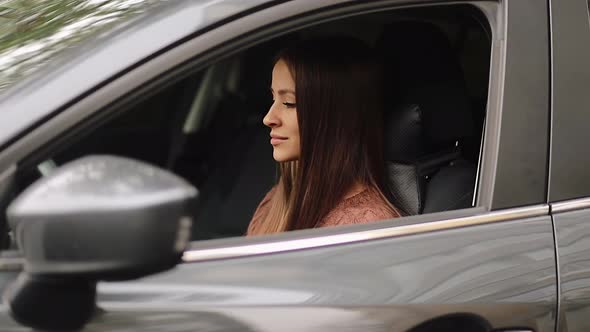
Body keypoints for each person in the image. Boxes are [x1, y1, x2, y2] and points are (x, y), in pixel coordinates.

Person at [247, 37, 401, 236]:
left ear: (335, 117)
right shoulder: (277, 199)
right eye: (273, 98)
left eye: (289, 103)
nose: (268, 118)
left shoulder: (365, 226)